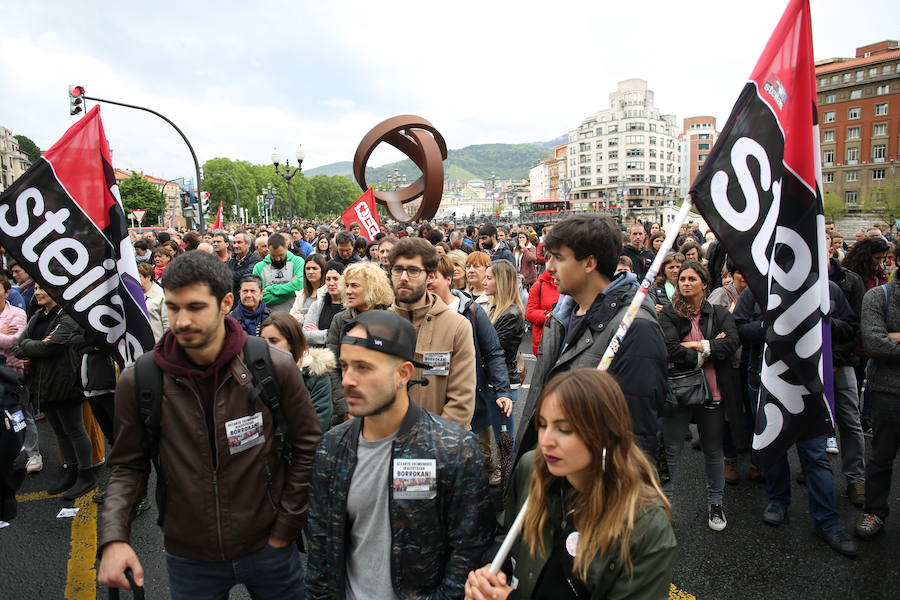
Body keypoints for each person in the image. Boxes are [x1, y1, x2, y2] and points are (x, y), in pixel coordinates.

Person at [97, 250, 321, 598]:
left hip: (269, 547)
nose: (182, 320)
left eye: (195, 307)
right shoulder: (140, 379)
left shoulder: (272, 364)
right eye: (173, 307)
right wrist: (113, 538)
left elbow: (308, 446)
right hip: (190, 555)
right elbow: (127, 465)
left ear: (226, 302)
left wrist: (286, 525)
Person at [305, 310, 494, 599]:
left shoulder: (454, 450)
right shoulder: (332, 448)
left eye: (363, 367)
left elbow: (468, 552)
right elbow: (320, 550)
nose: (347, 380)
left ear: (403, 374)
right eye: (344, 367)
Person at [465, 369, 677, 600]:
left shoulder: (645, 527)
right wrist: (493, 570)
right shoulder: (532, 469)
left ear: (605, 433)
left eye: (564, 429)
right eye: (543, 425)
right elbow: (506, 534)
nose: (546, 441)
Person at [516, 214, 667, 460]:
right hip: (550, 469)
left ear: (589, 263)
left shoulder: (635, 328)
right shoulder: (562, 315)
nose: (549, 266)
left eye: (558, 258)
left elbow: (636, 437)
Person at [658, 261, 744, 532]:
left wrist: (698, 344)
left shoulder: (718, 313)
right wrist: (709, 349)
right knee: (670, 451)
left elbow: (731, 342)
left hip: (713, 392)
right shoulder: (669, 314)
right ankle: (664, 506)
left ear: (704, 284)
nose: (685, 283)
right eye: (682, 278)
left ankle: (715, 503)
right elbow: (671, 350)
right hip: (679, 392)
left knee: (713, 450)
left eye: (692, 278)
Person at [429, 256, 512, 483]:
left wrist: (503, 391)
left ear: (448, 279)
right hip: (432, 402)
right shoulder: (418, 314)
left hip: (473, 403)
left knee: (479, 463)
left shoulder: (471, 311)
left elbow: (493, 352)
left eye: (432, 276)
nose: (426, 282)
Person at [13, 284, 94, 500]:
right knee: (59, 431)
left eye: (43, 289)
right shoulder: (38, 315)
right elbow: (18, 347)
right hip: (41, 383)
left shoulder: (67, 314)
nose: (37, 292)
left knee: (75, 430)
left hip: (64, 380)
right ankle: (71, 470)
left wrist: (32, 347)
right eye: (37, 288)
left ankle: (86, 474)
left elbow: (55, 345)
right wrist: (36, 344)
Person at [389, 237, 477, 428]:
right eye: (398, 269)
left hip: (441, 443)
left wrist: (436, 443)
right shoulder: (378, 326)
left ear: (430, 276)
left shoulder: (457, 326)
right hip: (388, 443)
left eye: (413, 270)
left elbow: (461, 399)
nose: (403, 277)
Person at [855, 269, 900, 539]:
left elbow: (887, 341)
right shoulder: (878, 296)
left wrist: (894, 336)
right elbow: (875, 343)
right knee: (881, 457)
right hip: (887, 392)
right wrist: (887, 338)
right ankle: (873, 511)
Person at [260, 312, 334, 433]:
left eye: (274, 341)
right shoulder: (257, 373)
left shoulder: (315, 375)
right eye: (262, 341)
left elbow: (318, 423)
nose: (266, 346)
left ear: (292, 343)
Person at [0, 277, 35, 473]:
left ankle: (33, 453)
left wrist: (4, 335)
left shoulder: (18, 313)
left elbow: (13, 341)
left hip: (13, 371)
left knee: (21, 412)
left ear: (6, 292)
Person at [253, 233, 305, 313]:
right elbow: (258, 297)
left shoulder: (298, 262)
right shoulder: (259, 267)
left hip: (293, 316)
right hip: (267, 317)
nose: (277, 259)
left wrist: (271, 289)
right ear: (268, 251)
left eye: (281, 255)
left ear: (286, 247)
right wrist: (291, 291)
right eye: (273, 256)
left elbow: (300, 284)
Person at [525, 262, 560, 356]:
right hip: (543, 341)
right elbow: (529, 313)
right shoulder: (539, 285)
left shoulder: (570, 283)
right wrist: (549, 316)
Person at [290, 252, 328, 322]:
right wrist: (304, 316)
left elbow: (320, 317)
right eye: (308, 268)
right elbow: (291, 317)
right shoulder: (301, 293)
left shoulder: (327, 291)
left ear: (322, 270)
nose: (310, 272)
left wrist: (301, 315)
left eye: (314, 268)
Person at [226, 231, 261, 296]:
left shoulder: (256, 260)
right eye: (234, 243)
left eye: (239, 242)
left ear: (248, 244)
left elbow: (248, 276)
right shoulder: (230, 262)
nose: (235, 245)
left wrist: (228, 274)